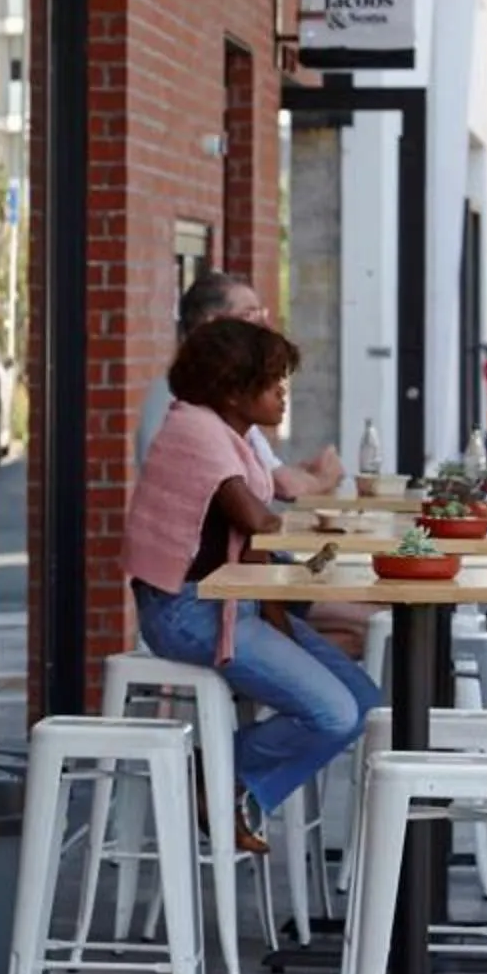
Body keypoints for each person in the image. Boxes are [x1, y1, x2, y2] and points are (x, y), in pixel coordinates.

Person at [127, 317, 380, 848]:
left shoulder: (227, 433)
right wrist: (328, 538)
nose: (284, 394)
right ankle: (215, 777)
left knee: (363, 704)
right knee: (332, 714)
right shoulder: (196, 430)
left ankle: (226, 777)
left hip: (232, 605)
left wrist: (282, 602)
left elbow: (257, 534)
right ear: (234, 391)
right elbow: (257, 521)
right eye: (273, 382)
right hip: (187, 612)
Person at [137, 269, 343, 498]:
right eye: (249, 315)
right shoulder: (187, 401)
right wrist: (323, 479)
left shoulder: (219, 392)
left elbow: (269, 473)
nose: (264, 324)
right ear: (214, 326)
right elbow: (276, 488)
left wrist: (306, 475)